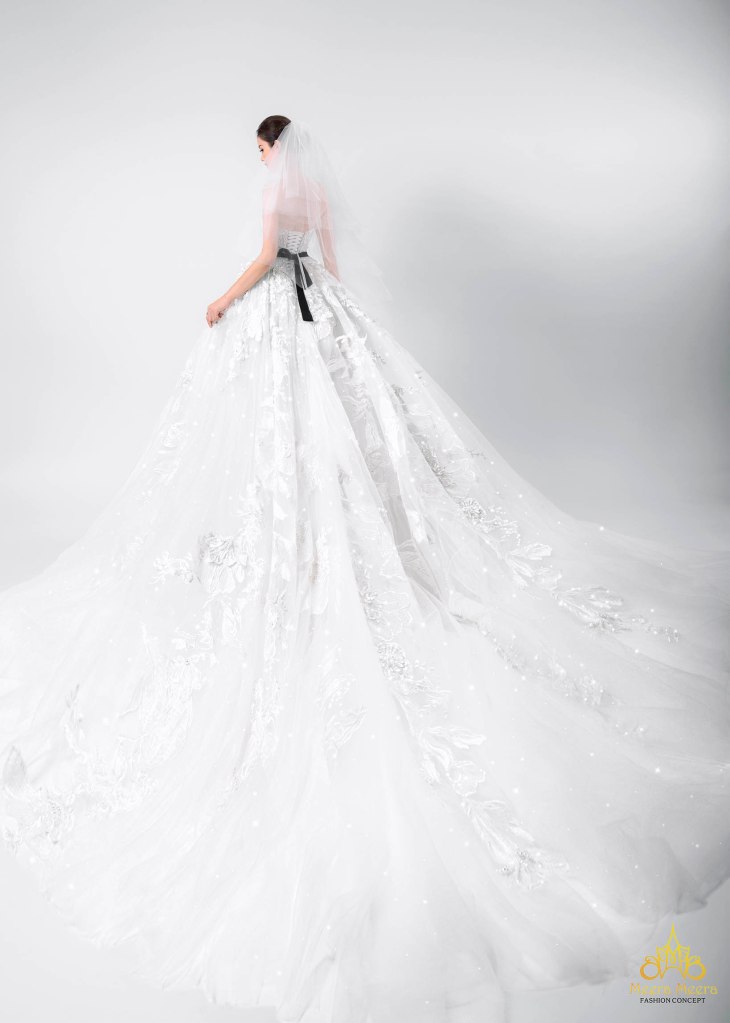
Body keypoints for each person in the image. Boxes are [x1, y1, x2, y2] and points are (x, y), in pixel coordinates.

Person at [0, 114, 728, 1023]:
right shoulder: (313, 190)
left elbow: (267, 258)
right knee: (344, 439)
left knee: (290, 445)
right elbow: (328, 262)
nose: (262, 163)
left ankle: (307, 551)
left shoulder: (274, 187)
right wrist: (342, 329)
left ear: (268, 150)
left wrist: (223, 301)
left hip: (281, 317)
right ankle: (329, 539)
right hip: (324, 317)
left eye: (259, 151)